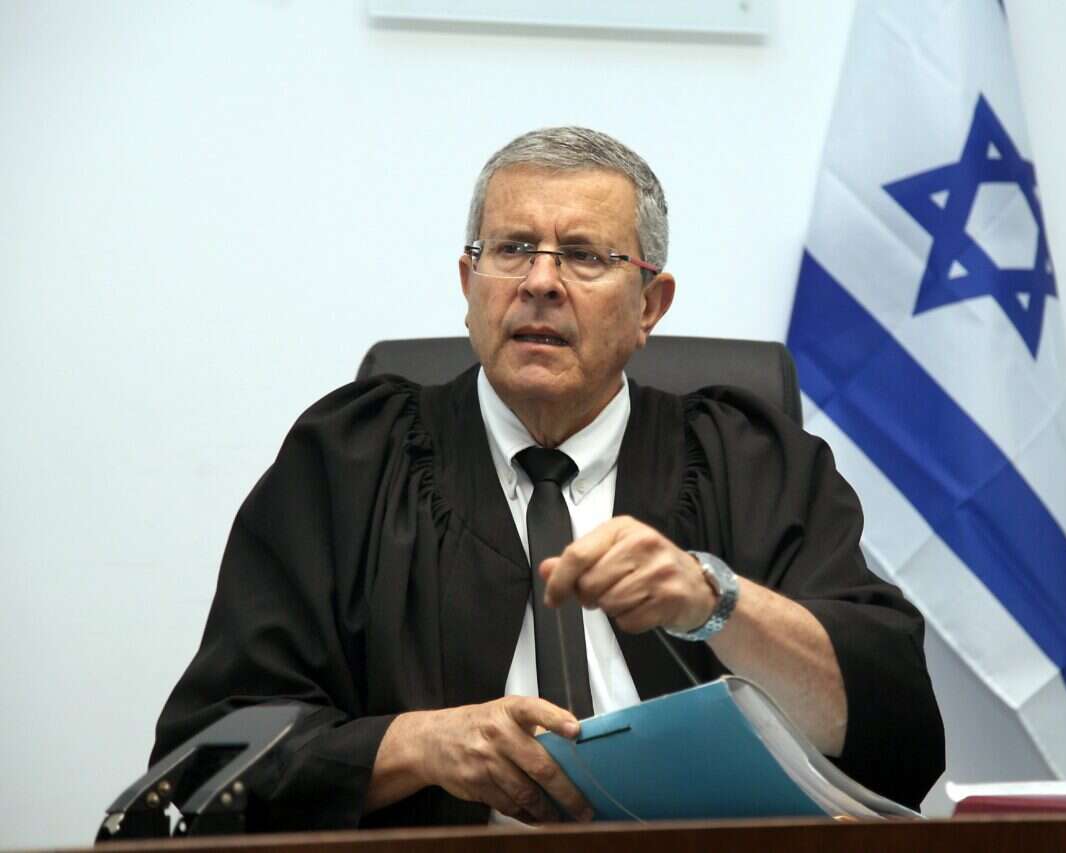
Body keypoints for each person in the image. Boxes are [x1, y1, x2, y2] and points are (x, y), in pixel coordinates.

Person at [151, 126, 944, 830]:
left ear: (650, 305)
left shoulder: (751, 461)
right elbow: (206, 759)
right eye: (512, 249)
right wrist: (418, 744)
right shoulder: (348, 462)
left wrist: (716, 601)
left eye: (585, 256)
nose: (540, 281)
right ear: (468, 285)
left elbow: (895, 724)